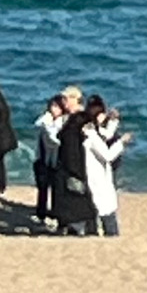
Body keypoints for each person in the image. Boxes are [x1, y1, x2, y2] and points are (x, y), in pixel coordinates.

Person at [81, 92, 130, 237]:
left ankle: (97, 233)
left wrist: (113, 121)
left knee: (99, 209)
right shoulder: (91, 135)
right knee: (106, 211)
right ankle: (110, 235)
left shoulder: (91, 131)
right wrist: (121, 142)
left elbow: (105, 134)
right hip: (98, 179)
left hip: (97, 178)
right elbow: (107, 155)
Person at [50, 100, 95, 236]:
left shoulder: (69, 132)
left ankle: (68, 228)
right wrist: (79, 174)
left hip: (63, 174)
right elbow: (72, 157)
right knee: (81, 207)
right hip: (72, 174)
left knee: (70, 206)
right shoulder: (73, 135)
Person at [33, 91, 70, 227]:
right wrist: (47, 119)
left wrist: (49, 127)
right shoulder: (46, 121)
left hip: (57, 160)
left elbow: (55, 140)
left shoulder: (63, 122)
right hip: (43, 159)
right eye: (51, 106)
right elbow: (37, 124)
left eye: (56, 107)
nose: (53, 109)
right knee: (42, 187)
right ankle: (41, 213)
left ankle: (56, 213)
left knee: (56, 189)